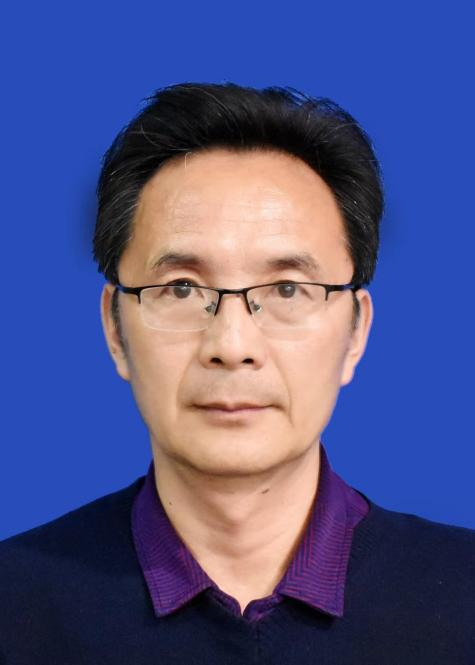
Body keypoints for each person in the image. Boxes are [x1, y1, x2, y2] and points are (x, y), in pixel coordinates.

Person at [0, 82, 473, 664]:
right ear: (115, 329)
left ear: (356, 332)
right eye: (181, 288)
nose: (232, 345)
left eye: (287, 289)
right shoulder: (15, 605)